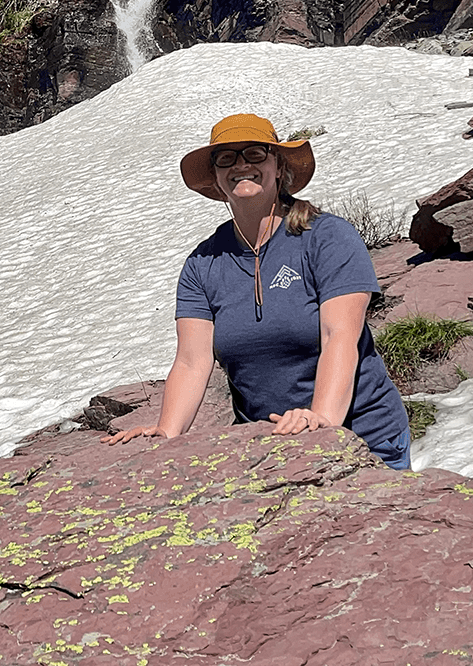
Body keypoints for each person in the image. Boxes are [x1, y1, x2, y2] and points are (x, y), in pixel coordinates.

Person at [104, 113, 411, 469]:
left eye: (254, 154)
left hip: (365, 437)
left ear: (279, 167)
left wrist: (322, 421)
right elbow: (192, 360)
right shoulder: (203, 263)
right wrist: (166, 433)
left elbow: (339, 335)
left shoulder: (327, 238)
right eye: (227, 158)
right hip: (268, 448)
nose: (241, 165)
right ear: (216, 179)